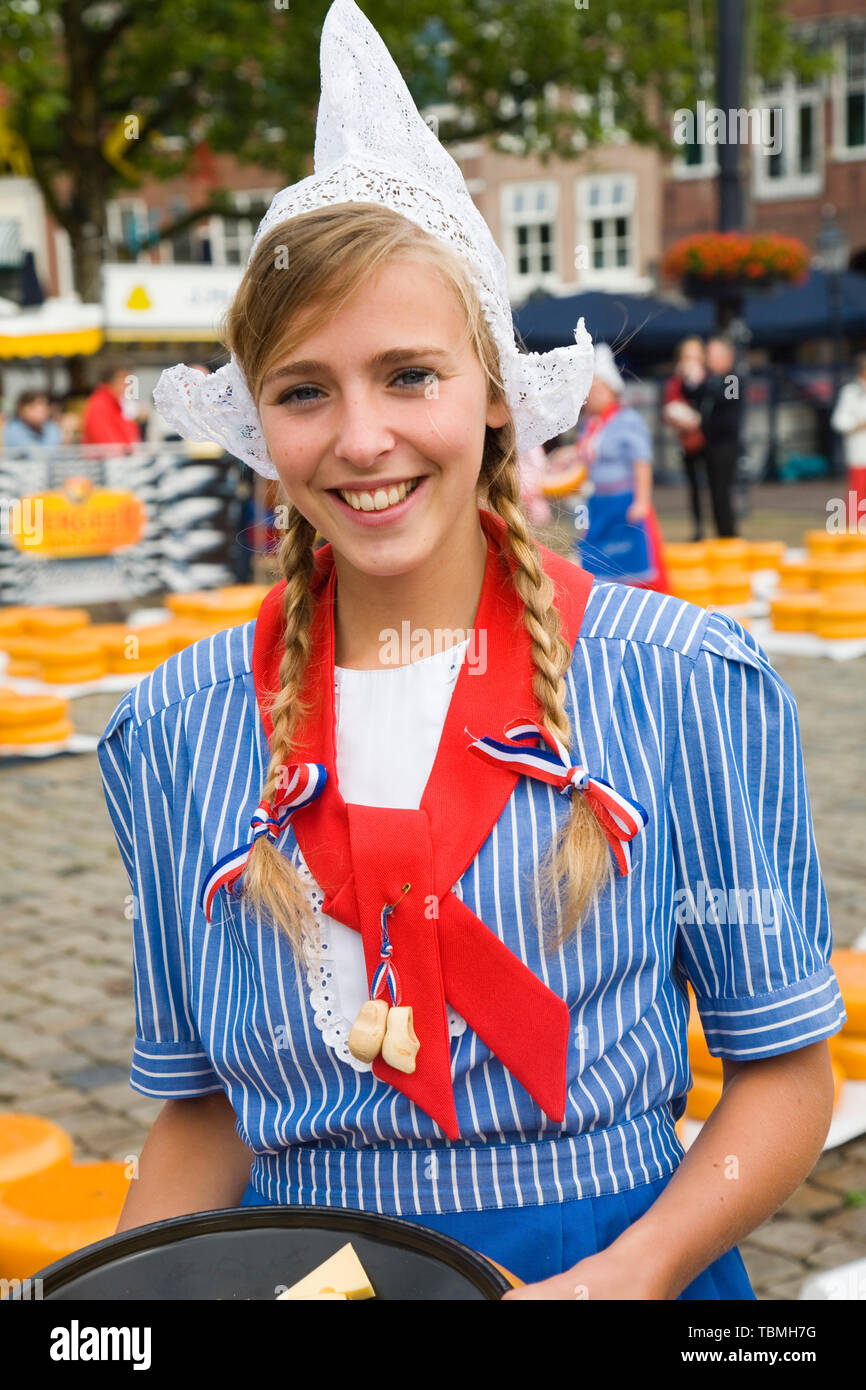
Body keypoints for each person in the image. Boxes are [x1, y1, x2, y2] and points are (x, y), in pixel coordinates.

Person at [96, 0, 844, 1301]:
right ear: (261, 423)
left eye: (408, 374)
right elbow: (202, 1112)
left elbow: (783, 1072)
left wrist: (627, 1276)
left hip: (617, 1272)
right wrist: (114, 1309)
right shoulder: (170, 729)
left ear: (494, 390)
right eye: (304, 389)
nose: (360, 437)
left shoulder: (680, 683)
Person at [565, 343, 671, 593]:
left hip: (624, 502)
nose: (591, 395)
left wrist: (642, 501)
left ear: (610, 389)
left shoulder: (627, 420)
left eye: (596, 388)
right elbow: (585, 457)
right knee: (596, 563)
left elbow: (641, 462)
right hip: (596, 502)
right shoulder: (590, 425)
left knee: (630, 567)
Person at [663, 337, 708, 541]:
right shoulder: (677, 381)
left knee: (716, 487)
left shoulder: (712, 378)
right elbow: (670, 407)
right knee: (694, 486)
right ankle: (699, 528)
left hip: (710, 440)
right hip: (688, 440)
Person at [696, 336, 741, 538]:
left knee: (723, 492)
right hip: (711, 444)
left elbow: (728, 402)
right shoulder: (711, 380)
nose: (709, 360)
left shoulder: (732, 379)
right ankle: (721, 533)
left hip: (726, 445)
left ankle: (728, 535)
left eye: (712, 355)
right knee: (714, 493)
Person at [830, 352, 866, 531]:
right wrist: (858, 424)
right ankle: (855, 531)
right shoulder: (851, 392)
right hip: (859, 453)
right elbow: (839, 421)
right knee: (858, 493)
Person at [81, 360, 142, 447]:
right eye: (126, 378)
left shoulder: (116, 404)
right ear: (114, 380)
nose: (130, 384)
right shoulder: (100, 405)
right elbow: (108, 444)